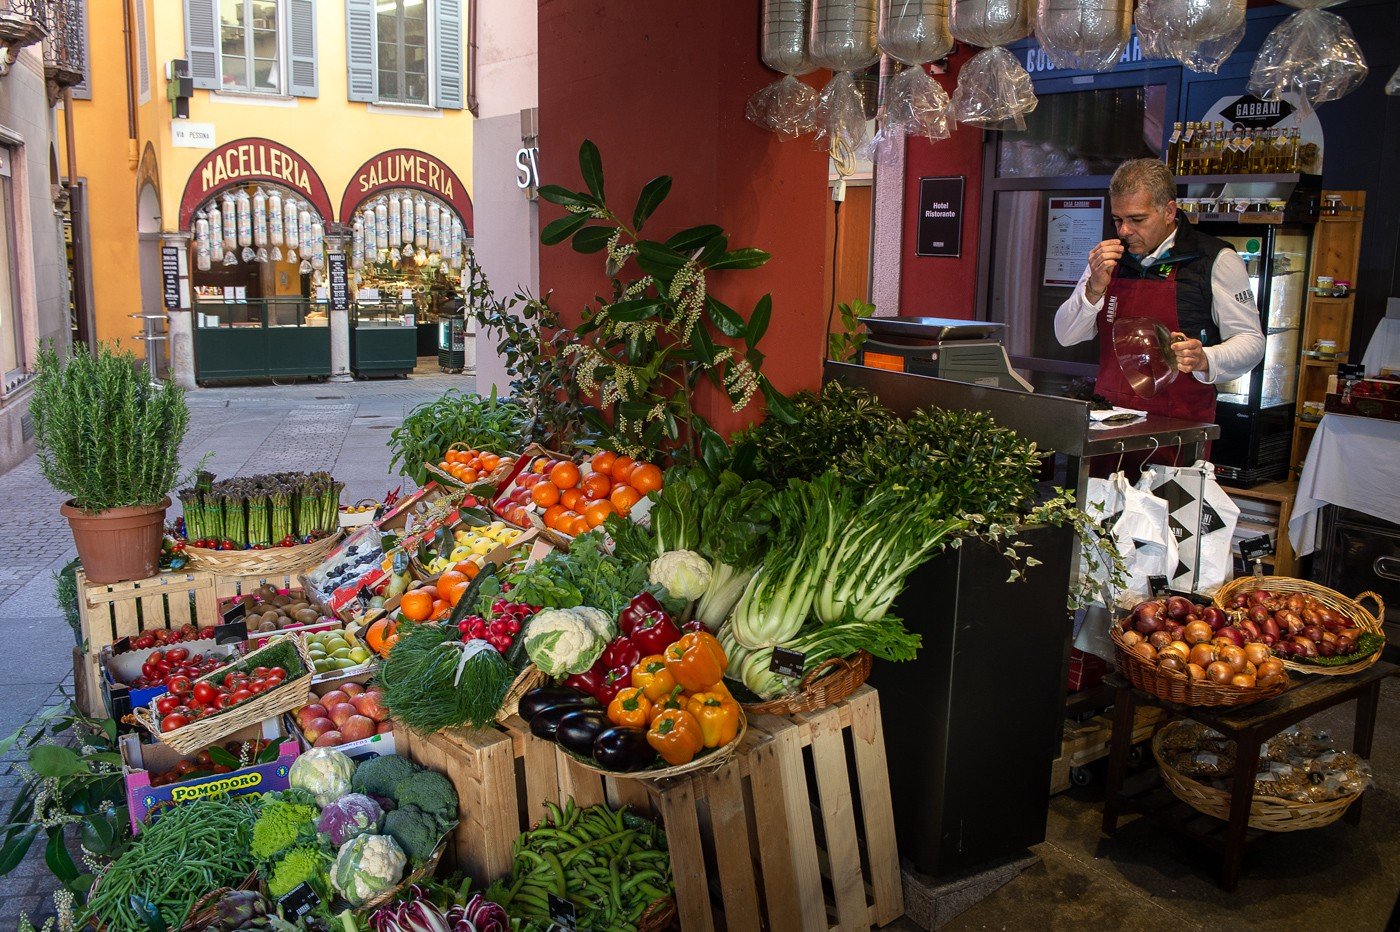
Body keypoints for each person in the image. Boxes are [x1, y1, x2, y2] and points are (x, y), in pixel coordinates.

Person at [1054, 158, 1265, 424]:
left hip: (1179, 421)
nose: (1124, 230)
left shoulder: (1215, 259)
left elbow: (1252, 342)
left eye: (1137, 219)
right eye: (1117, 219)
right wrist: (1094, 289)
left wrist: (1205, 358)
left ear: (1168, 211)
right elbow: (1065, 335)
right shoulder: (1109, 259)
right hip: (1108, 418)